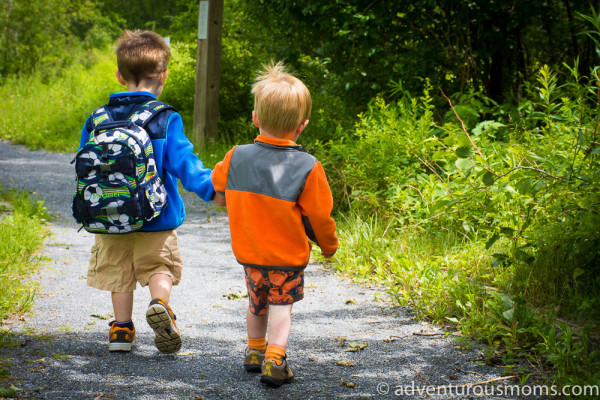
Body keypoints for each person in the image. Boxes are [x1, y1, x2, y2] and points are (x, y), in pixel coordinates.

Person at [79, 30, 224, 354]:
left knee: (119, 273)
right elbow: (183, 162)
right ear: (163, 76)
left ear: (120, 76)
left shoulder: (97, 119)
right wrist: (211, 189)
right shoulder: (164, 119)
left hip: (109, 215)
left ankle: (121, 330)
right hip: (156, 215)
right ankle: (160, 304)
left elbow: (83, 165)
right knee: (160, 266)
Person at [211, 61, 339, 386]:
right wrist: (329, 245)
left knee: (257, 303)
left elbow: (217, 181)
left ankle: (254, 351)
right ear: (302, 126)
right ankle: (275, 359)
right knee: (282, 307)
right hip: (286, 258)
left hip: (250, 254)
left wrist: (224, 192)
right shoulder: (309, 167)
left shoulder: (236, 155)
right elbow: (319, 216)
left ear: (255, 118)